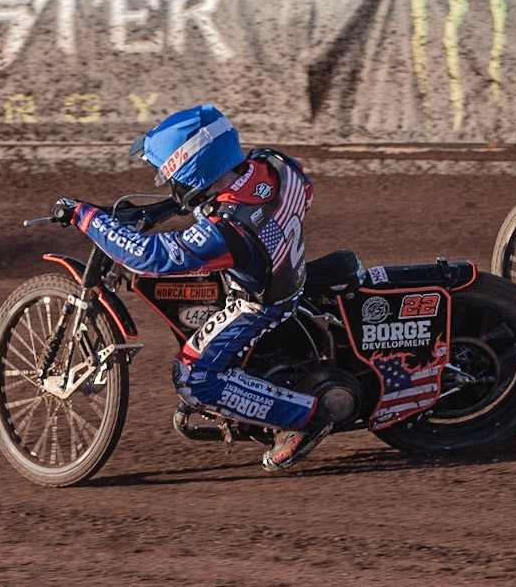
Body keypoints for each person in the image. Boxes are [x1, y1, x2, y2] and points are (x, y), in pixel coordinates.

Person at [47, 104, 333, 472]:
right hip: (281, 268)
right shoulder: (272, 165)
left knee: (192, 378)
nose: (169, 186)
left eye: (171, 178)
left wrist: (85, 215)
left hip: (262, 304)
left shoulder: (227, 229)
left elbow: (150, 257)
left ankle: (305, 420)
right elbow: (298, 187)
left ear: (190, 172)